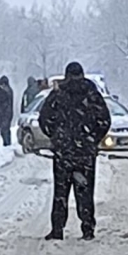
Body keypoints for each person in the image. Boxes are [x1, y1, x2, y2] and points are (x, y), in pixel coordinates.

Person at [39, 62, 111, 241]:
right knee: (85, 192)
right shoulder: (92, 93)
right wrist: (92, 139)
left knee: (60, 193)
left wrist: (56, 136)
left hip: (63, 152)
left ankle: (57, 229)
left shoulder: (58, 94)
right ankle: (87, 228)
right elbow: (105, 120)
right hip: (85, 153)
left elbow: (44, 118)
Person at [0, 76, 14, 146]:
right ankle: (7, 142)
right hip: (8, 112)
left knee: (4, 129)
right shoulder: (9, 90)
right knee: (6, 128)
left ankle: (7, 143)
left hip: (6, 112)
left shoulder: (6, 91)